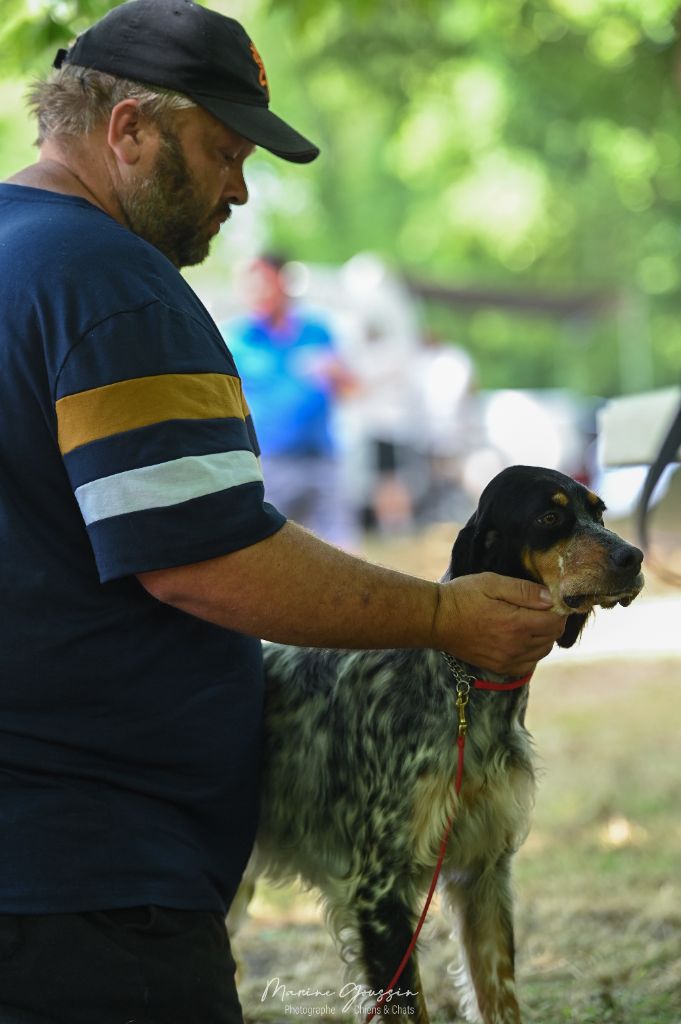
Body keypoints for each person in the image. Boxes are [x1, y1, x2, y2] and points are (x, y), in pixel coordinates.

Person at [0, 1, 567, 1022]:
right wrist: (443, 616)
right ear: (127, 129)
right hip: (90, 883)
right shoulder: (113, 286)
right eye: (221, 149)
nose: (238, 186)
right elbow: (201, 553)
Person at [223, 254, 356, 546]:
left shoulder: (317, 330)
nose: (254, 292)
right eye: (247, 285)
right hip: (270, 463)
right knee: (274, 550)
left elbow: (352, 389)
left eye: (261, 283)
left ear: (282, 281)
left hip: (321, 458)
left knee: (340, 550)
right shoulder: (236, 340)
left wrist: (337, 373)